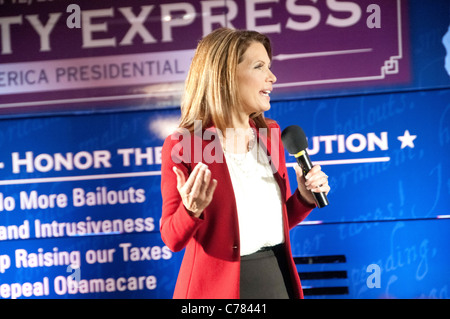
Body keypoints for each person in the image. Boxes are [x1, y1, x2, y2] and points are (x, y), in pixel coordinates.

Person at [160, 27, 330, 299]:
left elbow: (273, 223)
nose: (272, 77)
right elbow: (172, 238)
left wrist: (304, 199)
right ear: (225, 77)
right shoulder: (186, 145)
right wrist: (191, 210)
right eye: (259, 66)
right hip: (216, 290)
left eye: (270, 67)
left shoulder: (271, 133)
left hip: (277, 278)